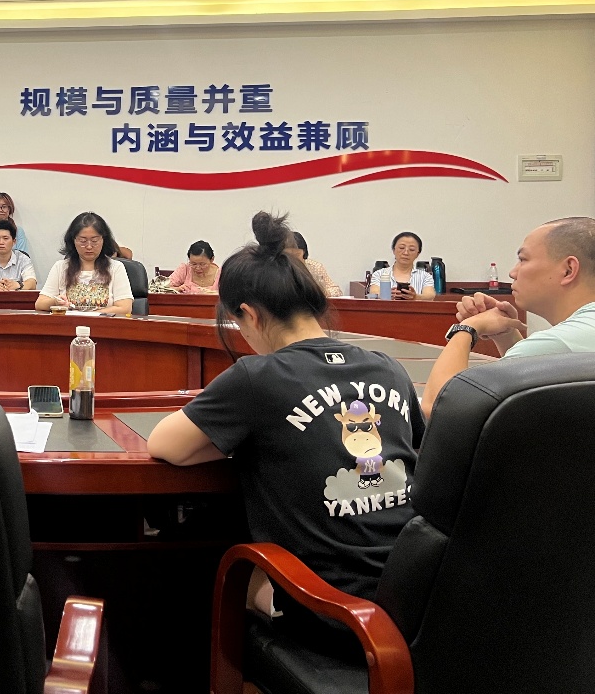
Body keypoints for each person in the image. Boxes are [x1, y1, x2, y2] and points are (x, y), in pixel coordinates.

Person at [147, 212, 424, 647]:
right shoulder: (388, 368)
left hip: (337, 614)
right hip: (418, 602)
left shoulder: (258, 377)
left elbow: (166, 445)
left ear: (249, 314)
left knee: (191, 557)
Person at [422, 217, 595, 419]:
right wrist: (506, 335)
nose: (513, 272)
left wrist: (467, 329)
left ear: (568, 270)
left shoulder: (559, 343)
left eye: (523, 259)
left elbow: (441, 409)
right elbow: (526, 381)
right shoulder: (574, 338)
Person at [35, 212, 133, 316]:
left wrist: (90, 316)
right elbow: (40, 304)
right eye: (83, 241)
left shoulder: (116, 268)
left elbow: (125, 308)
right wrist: (56, 302)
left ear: (103, 240)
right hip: (69, 324)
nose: (89, 246)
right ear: (73, 240)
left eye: (94, 241)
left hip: (104, 324)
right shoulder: (61, 267)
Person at [369, 232, 435, 301]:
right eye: (401, 248)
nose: (406, 253)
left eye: (411, 249)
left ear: (417, 254)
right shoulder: (379, 274)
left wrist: (416, 297)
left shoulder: (425, 276)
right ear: (394, 250)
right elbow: (373, 293)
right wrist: (385, 295)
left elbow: (430, 296)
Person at [289, 232, 342, 298]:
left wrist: (322, 292)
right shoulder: (280, 268)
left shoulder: (315, 267)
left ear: (304, 252)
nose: (292, 258)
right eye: (288, 255)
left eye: (296, 254)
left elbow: (336, 290)